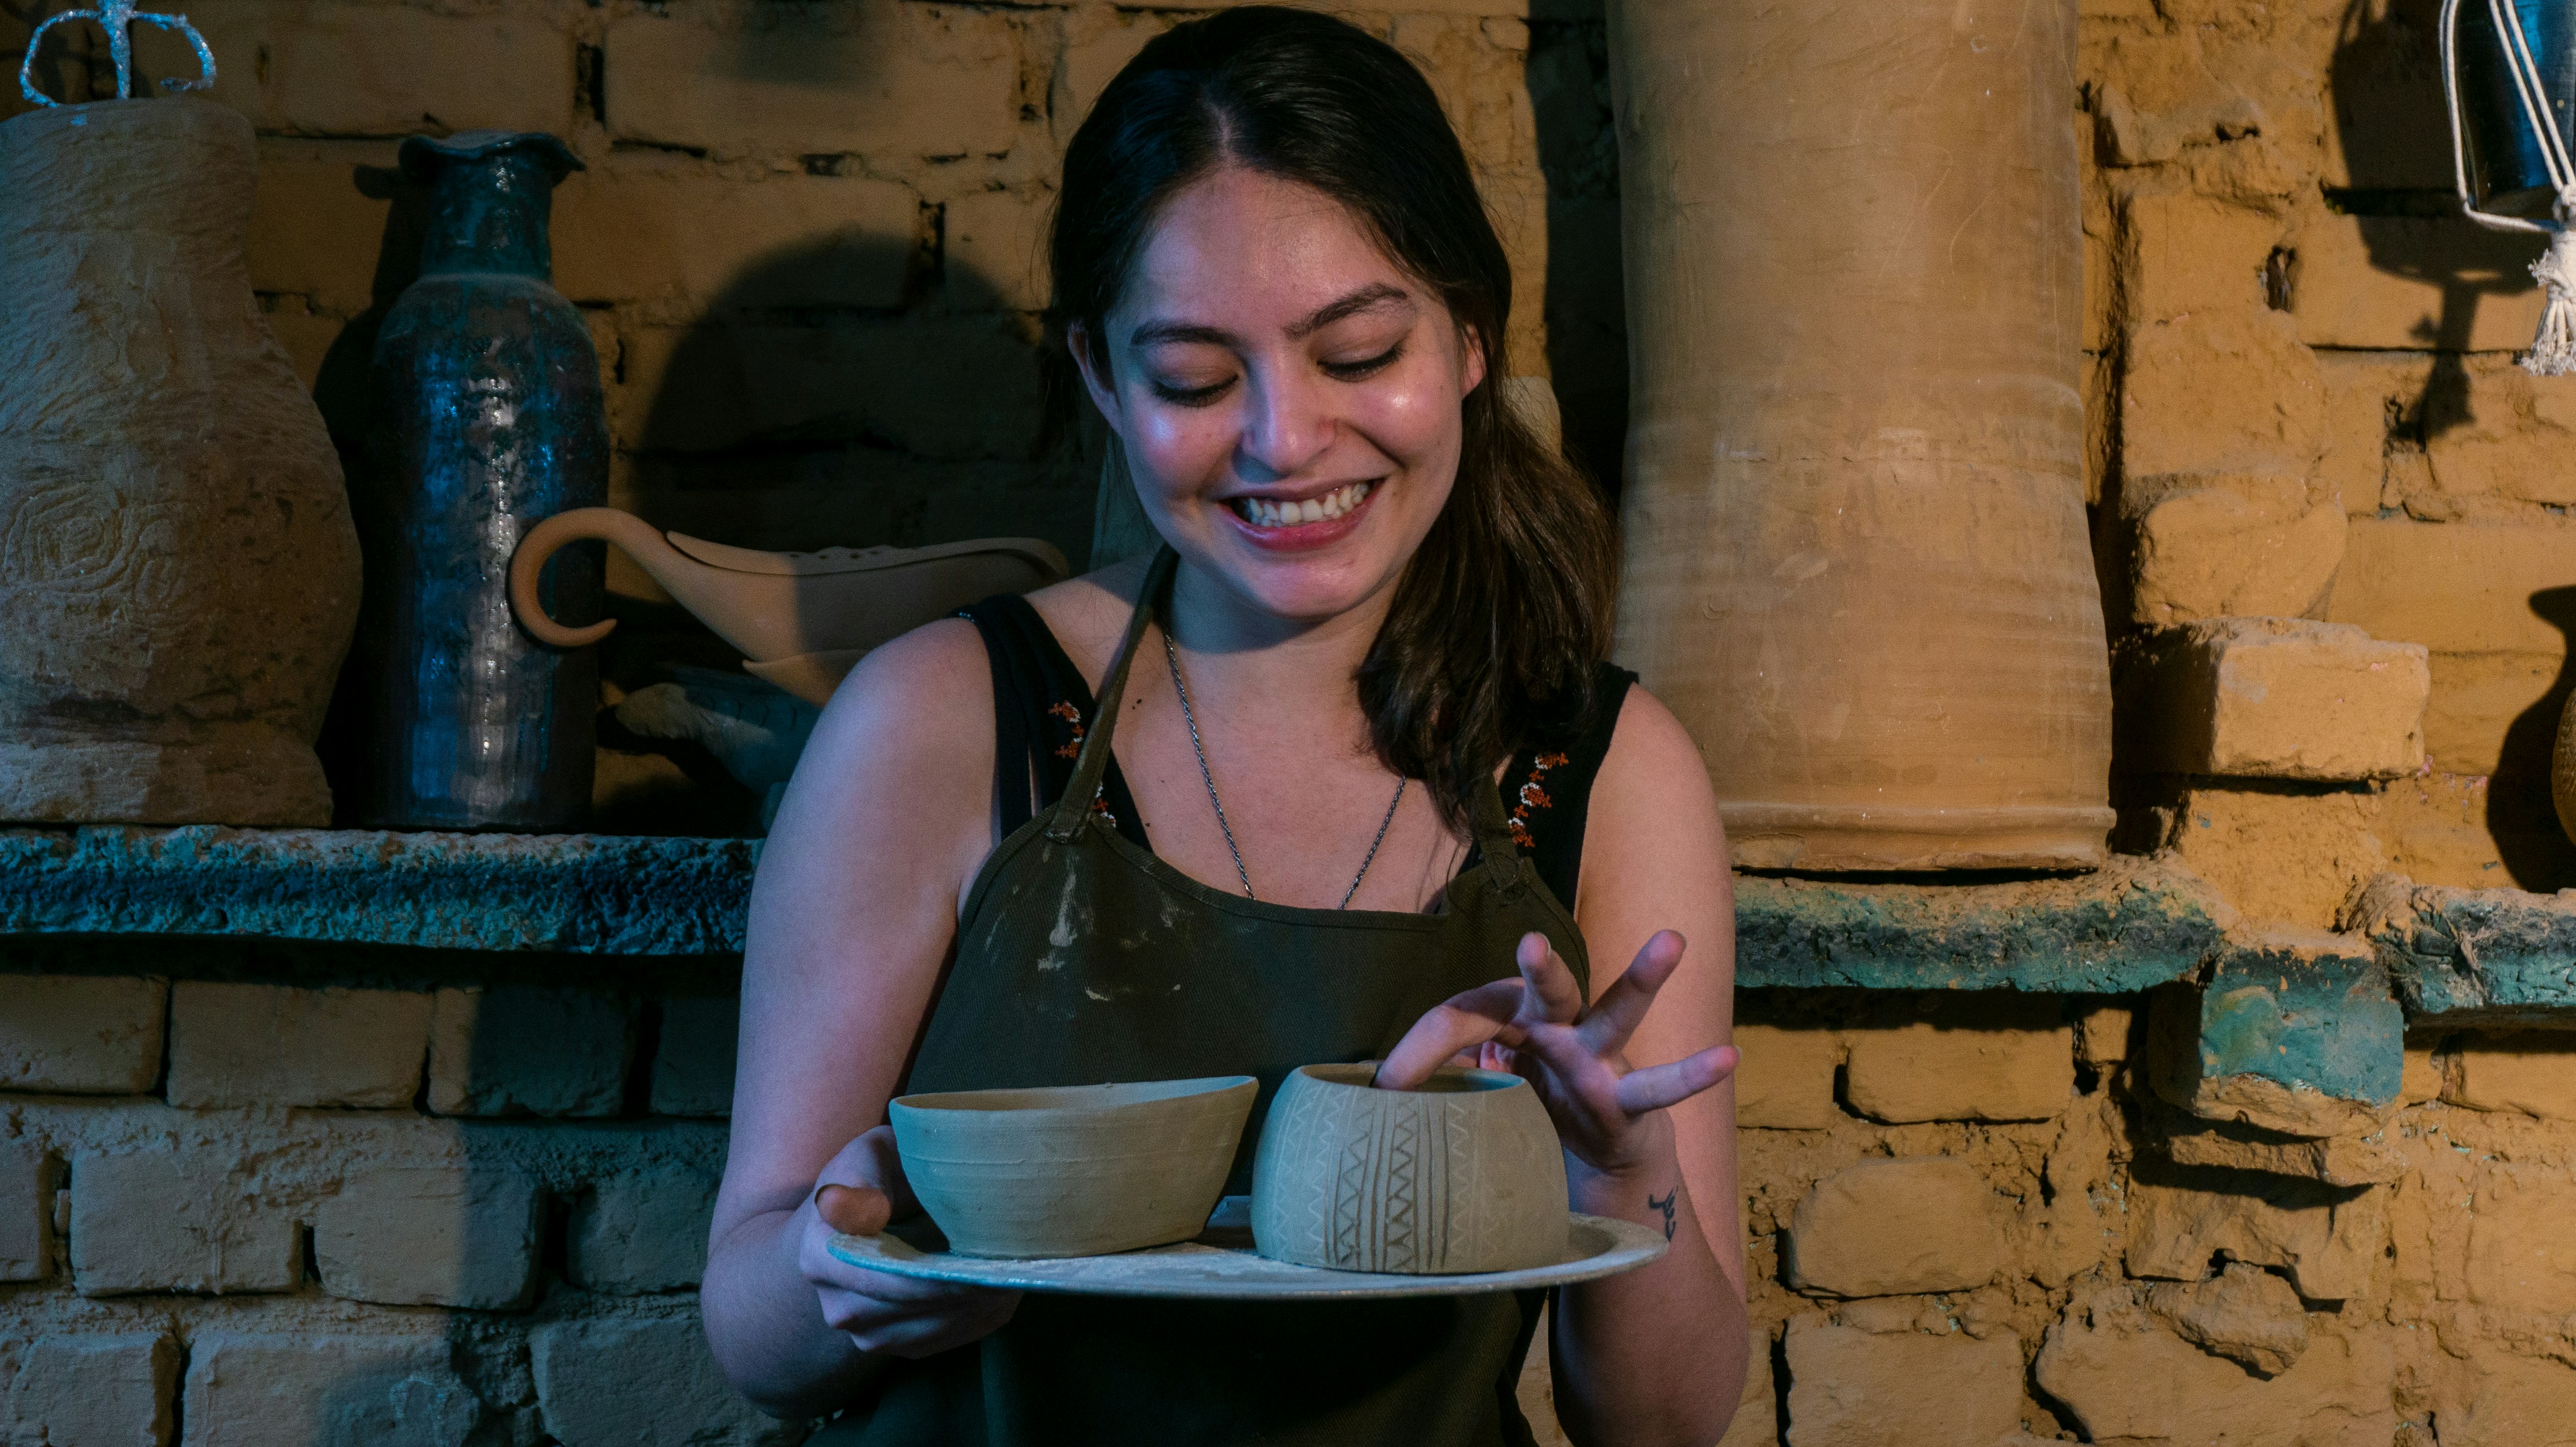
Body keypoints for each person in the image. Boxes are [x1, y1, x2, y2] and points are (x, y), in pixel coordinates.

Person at [701, 9, 1749, 1444]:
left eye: (1357, 351)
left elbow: (1667, 1426)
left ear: (1466, 341)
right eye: (1196, 377)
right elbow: (753, 1325)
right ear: (1101, 380)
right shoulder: (949, 715)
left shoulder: (1605, 772)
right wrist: (840, 1279)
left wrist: (1619, 1173)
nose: (1281, 439)